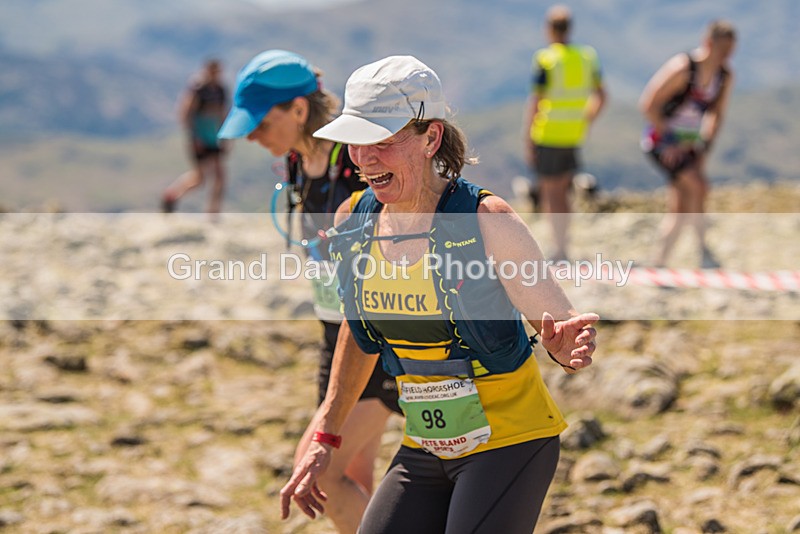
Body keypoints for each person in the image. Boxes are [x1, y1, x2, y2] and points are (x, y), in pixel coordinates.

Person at [280, 55, 599, 533]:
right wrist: (325, 435)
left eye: (382, 142)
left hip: (508, 443)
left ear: (431, 138)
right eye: (355, 143)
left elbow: (559, 320)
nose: (365, 159)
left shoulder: (486, 220)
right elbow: (358, 333)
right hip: (426, 446)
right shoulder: (354, 219)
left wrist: (566, 345)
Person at [216, 49, 401, 534]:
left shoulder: (357, 159)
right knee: (354, 476)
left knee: (317, 473)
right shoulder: (297, 162)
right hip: (334, 337)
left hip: (376, 341)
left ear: (299, 110)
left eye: (259, 124)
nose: (253, 137)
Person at [639, 20, 736, 268]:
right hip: (663, 143)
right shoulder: (683, 68)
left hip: (691, 146)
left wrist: (704, 148)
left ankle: (659, 261)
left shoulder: (724, 77)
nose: (726, 56)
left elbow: (716, 114)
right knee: (698, 187)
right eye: (722, 49)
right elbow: (648, 105)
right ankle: (704, 253)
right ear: (708, 43)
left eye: (730, 51)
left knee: (681, 204)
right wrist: (670, 141)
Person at [522, 5, 606, 261]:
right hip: (573, 134)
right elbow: (601, 96)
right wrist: (586, 120)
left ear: (549, 29)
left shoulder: (546, 59)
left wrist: (527, 137)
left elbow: (536, 100)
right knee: (565, 191)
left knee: (551, 192)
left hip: (548, 133)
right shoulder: (587, 56)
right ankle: (564, 246)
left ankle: (558, 249)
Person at [162, 59, 229, 217]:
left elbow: (222, 114)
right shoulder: (199, 90)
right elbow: (186, 114)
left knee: (220, 176)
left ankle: (213, 213)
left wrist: (225, 137)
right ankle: (171, 196)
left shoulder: (220, 90)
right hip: (200, 137)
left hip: (214, 137)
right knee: (200, 178)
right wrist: (194, 137)